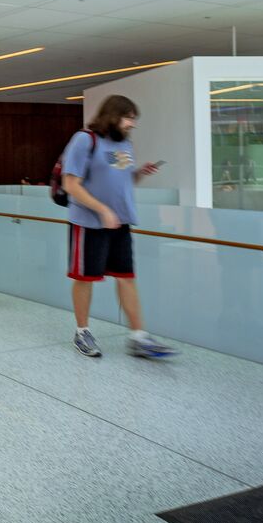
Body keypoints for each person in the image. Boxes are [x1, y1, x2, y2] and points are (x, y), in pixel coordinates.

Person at [60, 94, 175, 359]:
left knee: (126, 277)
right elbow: (71, 184)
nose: (132, 124)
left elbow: (120, 179)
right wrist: (102, 210)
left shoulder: (124, 145)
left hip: (120, 221)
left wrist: (138, 174)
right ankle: (82, 332)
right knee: (85, 278)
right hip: (88, 222)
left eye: (134, 119)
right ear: (113, 115)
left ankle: (138, 336)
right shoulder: (84, 140)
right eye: (129, 118)